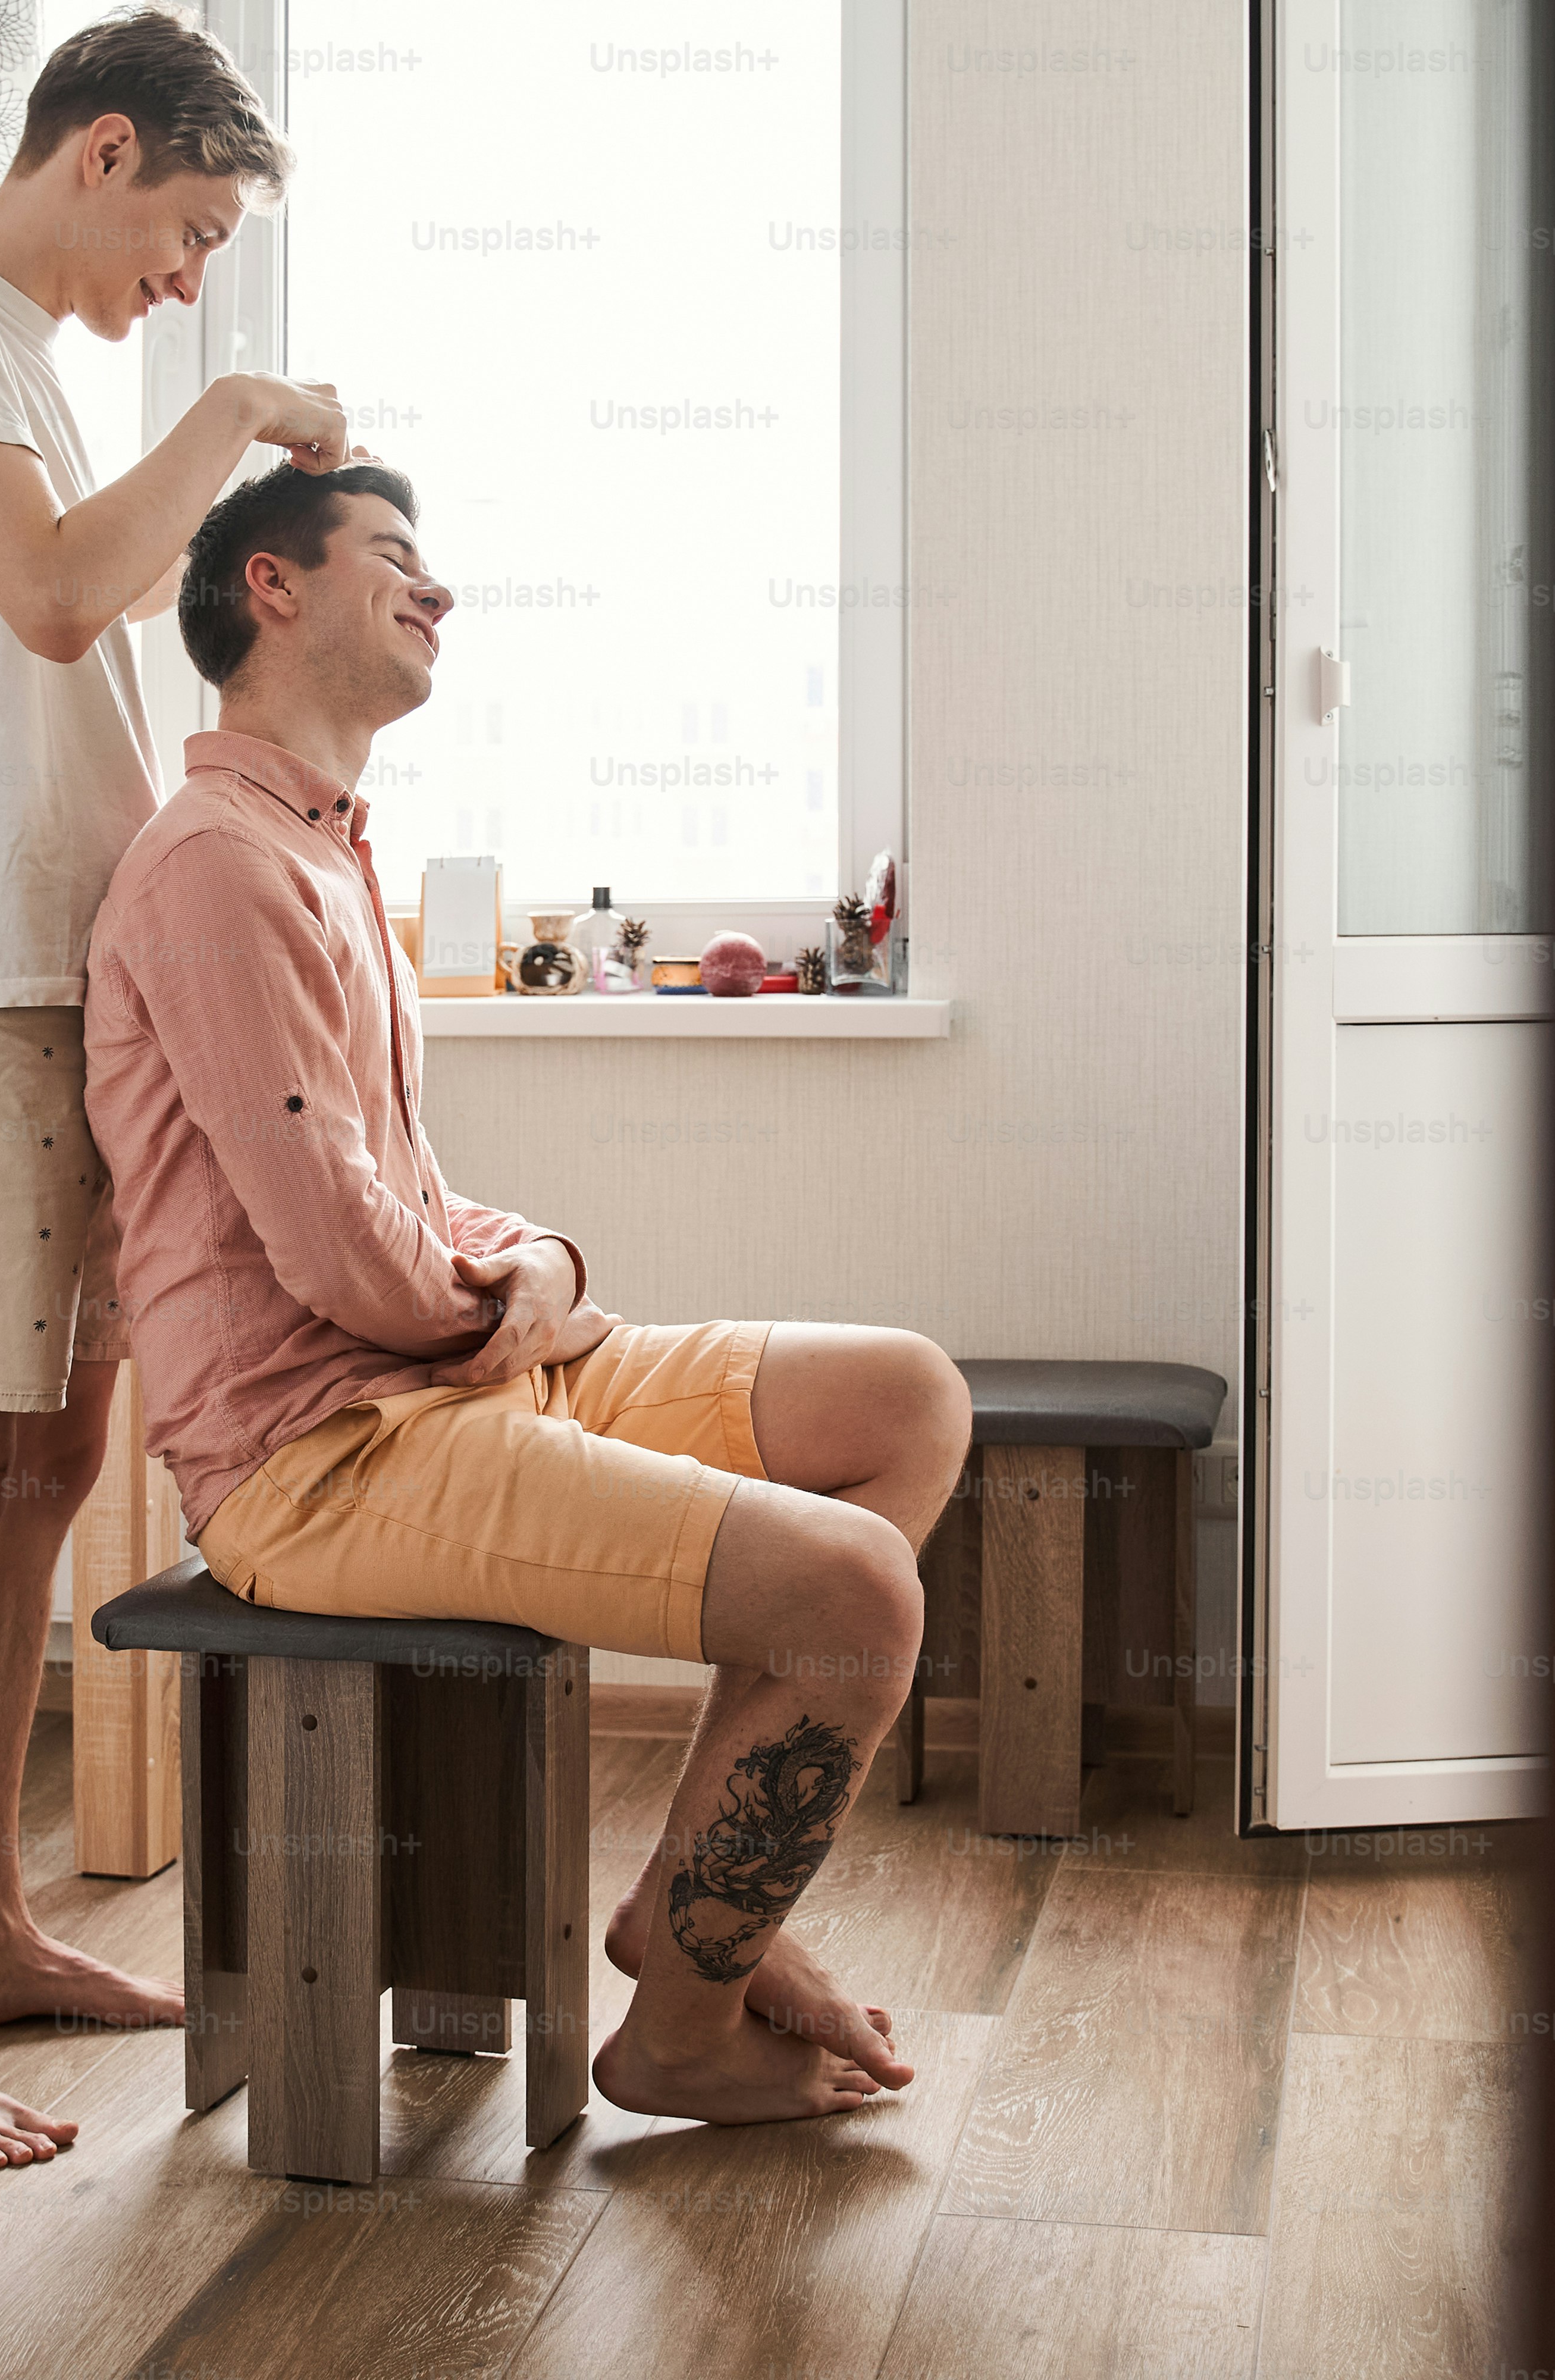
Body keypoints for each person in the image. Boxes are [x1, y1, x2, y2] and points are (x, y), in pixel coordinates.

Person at [81, 462, 973, 2125]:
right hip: (323, 1453)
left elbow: (398, 1199)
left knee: (906, 1397)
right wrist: (526, 1303)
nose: (440, 593)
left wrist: (537, 1274)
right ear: (271, 589)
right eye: (397, 561)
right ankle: (688, 2031)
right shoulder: (216, 867)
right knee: (856, 1593)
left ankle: (679, 1923)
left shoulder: (324, 850)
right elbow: (343, 1260)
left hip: (447, 1375)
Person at [0, 5, 358, 2175]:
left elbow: (88, 605)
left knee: (41, 1469)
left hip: (71, 981)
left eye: (215, 260)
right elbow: (40, 604)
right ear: (99, 150)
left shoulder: (26, 374)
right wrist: (225, 413)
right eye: (189, 230)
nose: (185, 282)